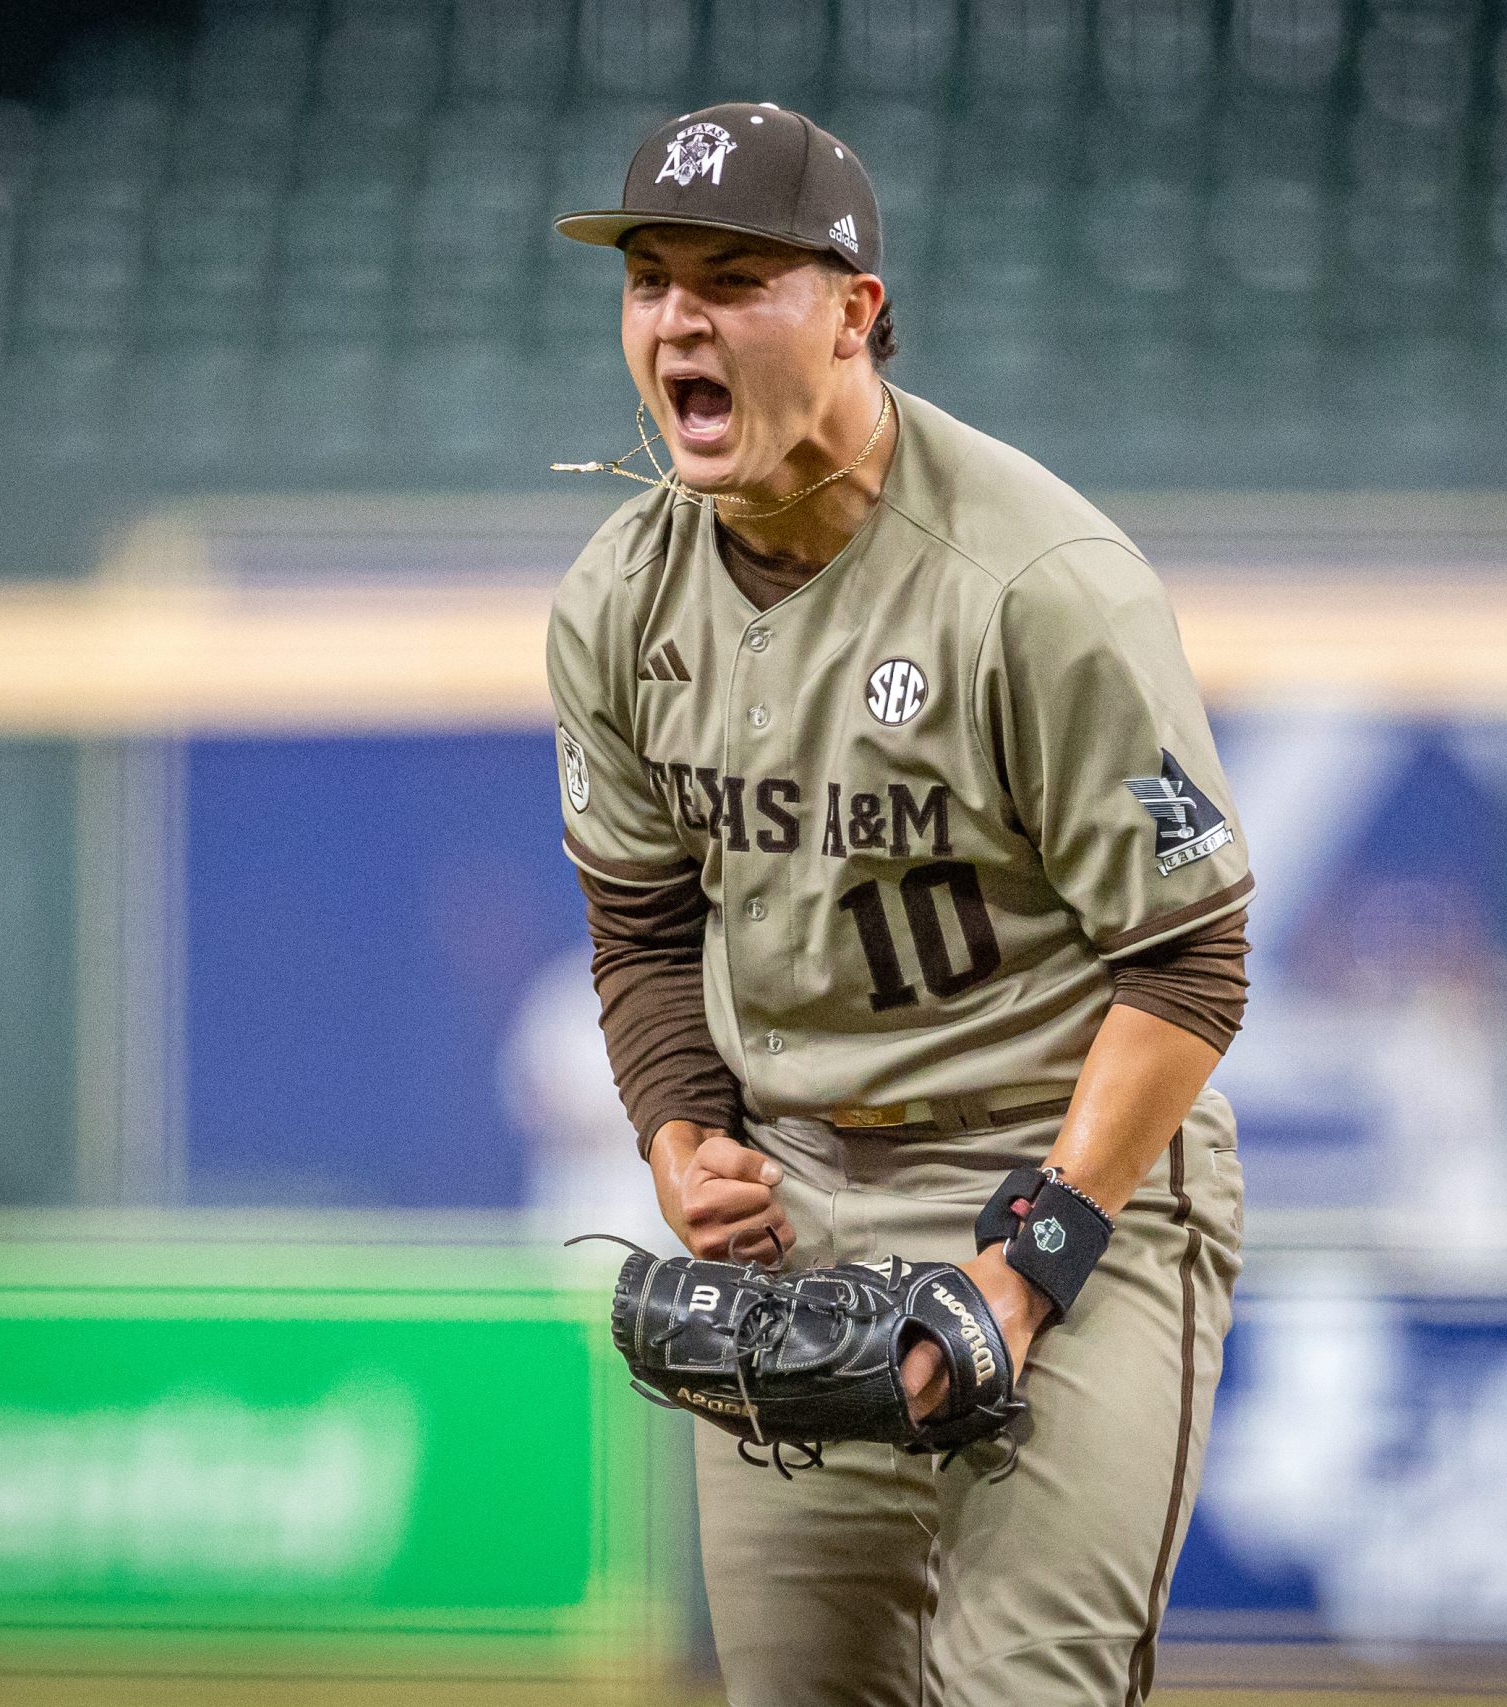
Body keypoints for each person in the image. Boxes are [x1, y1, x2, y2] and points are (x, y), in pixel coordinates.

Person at [546, 105, 1254, 1705]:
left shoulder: (1039, 584)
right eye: (652, 280)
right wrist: (676, 1131)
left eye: (734, 279)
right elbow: (648, 924)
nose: (677, 320)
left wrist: (1040, 1247)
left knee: (1029, 1690)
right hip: (800, 1198)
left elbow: (1191, 957)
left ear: (856, 312)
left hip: (1067, 1174)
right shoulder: (616, 599)